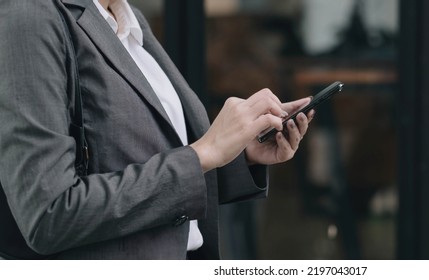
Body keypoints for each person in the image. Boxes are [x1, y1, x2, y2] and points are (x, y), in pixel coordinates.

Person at [0, 0, 313, 259]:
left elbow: (147, 159)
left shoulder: (128, 20)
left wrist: (240, 155)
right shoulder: (30, 18)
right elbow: (49, 215)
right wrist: (203, 153)